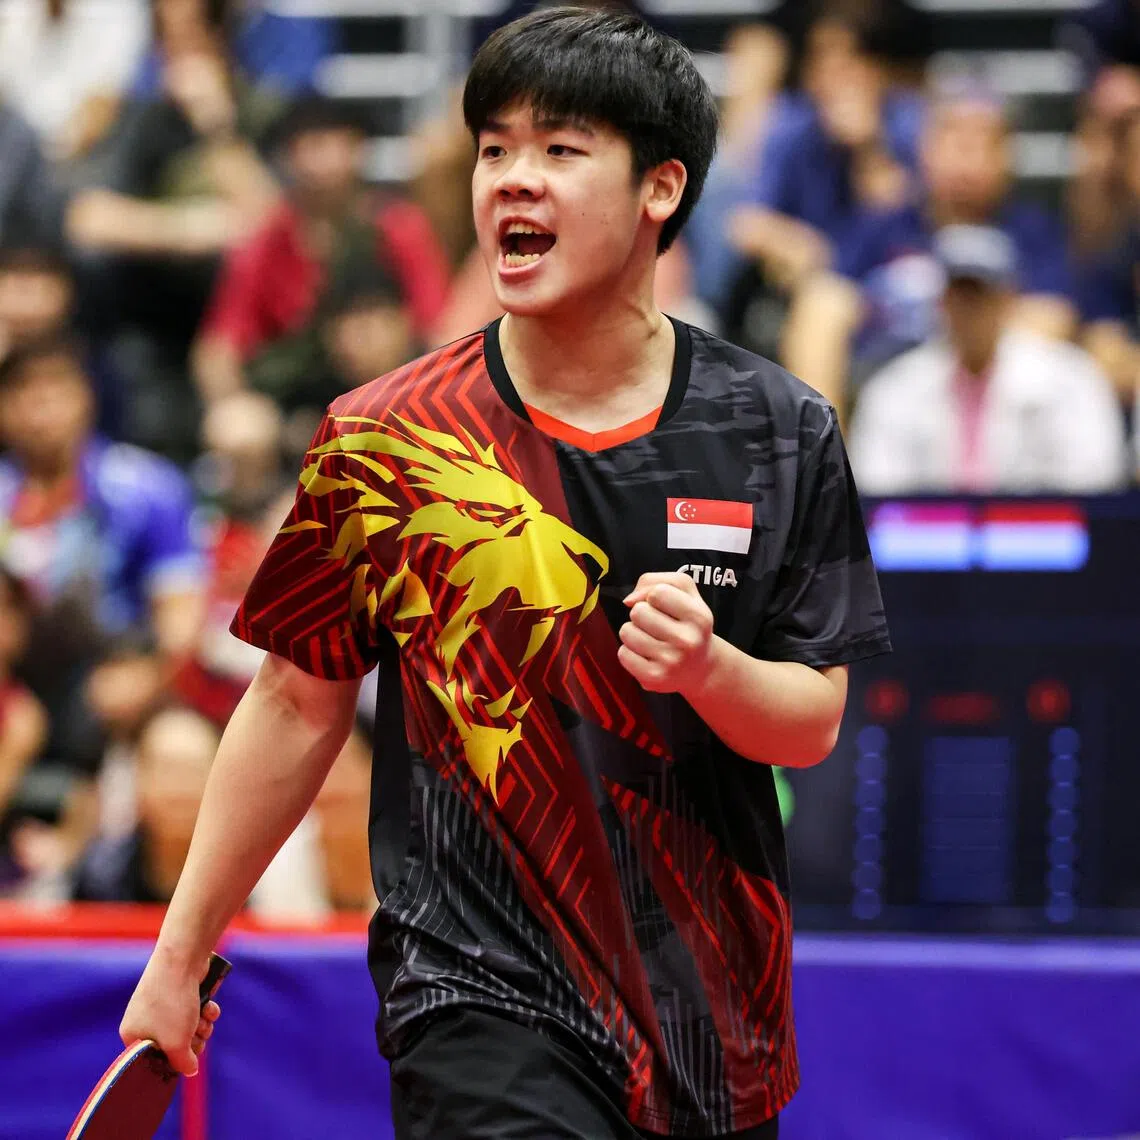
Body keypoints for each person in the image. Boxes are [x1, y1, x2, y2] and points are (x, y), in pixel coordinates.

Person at [119, 9, 891, 1140]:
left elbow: (809, 723)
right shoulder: (386, 440)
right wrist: (180, 955)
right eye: (494, 149)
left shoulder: (777, 429)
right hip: (475, 991)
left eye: (560, 151)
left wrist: (712, 669)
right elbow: (293, 700)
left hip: (711, 1019)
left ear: (661, 187)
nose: (511, 182)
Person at [848, 225, 1128, 494]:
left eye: (981, 295)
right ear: (941, 302)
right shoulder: (894, 388)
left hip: (1034, 536)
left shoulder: (1070, 380)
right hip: (929, 538)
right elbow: (876, 496)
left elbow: (1094, 487)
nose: (969, 309)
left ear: (1008, 299)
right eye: (958, 295)